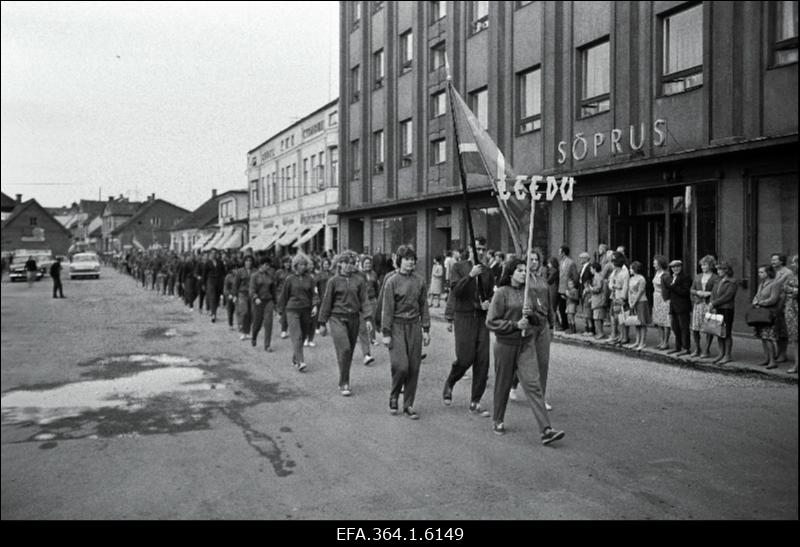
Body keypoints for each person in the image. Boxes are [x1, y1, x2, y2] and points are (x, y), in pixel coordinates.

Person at [486, 257, 565, 445]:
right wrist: (514, 324)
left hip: (526, 343)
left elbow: (538, 318)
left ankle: (546, 429)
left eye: (525, 270)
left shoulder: (528, 292)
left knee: (533, 384)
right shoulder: (501, 293)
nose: (524, 273)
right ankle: (498, 419)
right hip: (506, 344)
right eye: (520, 270)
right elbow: (491, 321)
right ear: (511, 272)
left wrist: (531, 316)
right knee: (503, 383)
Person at [442, 237, 495, 417]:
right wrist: (470, 275)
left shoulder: (488, 271)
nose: (481, 252)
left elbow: (489, 295)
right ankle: (450, 381)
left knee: (483, 359)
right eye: (478, 248)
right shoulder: (459, 267)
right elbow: (456, 291)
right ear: (470, 249)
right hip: (463, 317)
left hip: (481, 318)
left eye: (483, 249)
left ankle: (476, 400)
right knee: (465, 358)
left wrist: (488, 303)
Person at [381, 245, 430, 419]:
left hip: (414, 326)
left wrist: (426, 329)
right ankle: (394, 395)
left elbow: (424, 305)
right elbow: (387, 309)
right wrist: (385, 333)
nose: (410, 262)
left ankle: (408, 404)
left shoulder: (420, 281)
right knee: (401, 366)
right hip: (396, 326)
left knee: (414, 367)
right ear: (399, 261)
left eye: (412, 259)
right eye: (406, 259)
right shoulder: (391, 281)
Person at [318, 250, 372, 396]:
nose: (349, 266)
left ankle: (343, 379)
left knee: (348, 353)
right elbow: (326, 302)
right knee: (345, 349)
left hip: (354, 318)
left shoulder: (359, 281)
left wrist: (368, 318)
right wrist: (322, 323)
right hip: (337, 318)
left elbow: (364, 300)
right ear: (340, 263)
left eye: (352, 263)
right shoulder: (333, 281)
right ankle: (344, 383)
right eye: (346, 262)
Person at [278, 253, 319, 372]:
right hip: (292, 309)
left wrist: (315, 305)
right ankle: (301, 361)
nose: (302, 267)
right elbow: (284, 295)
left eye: (304, 264)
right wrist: (280, 311)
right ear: (295, 266)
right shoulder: (289, 279)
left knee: (304, 335)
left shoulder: (310, 279)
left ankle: (295, 358)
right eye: (300, 264)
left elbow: (314, 294)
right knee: (297, 335)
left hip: (306, 309)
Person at [752, 264, 782, 369]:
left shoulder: (775, 284)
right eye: (759, 272)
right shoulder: (762, 284)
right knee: (763, 337)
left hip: (770, 313)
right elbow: (757, 295)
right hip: (761, 313)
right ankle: (767, 358)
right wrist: (755, 301)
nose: (760, 274)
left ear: (768, 272)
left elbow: (773, 299)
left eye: (762, 272)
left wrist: (761, 302)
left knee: (768, 337)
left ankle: (773, 361)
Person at [709, 260, 738, 365]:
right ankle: (721, 353)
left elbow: (728, 296)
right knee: (718, 332)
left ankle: (727, 355)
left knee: (726, 332)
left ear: (726, 270)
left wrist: (714, 303)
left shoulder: (732, 281)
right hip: (717, 308)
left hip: (726, 308)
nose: (718, 271)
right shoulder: (718, 281)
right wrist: (711, 303)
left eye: (720, 269)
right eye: (717, 269)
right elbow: (713, 293)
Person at [689, 255, 719, 358]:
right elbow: (691, 289)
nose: (702, 267)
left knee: (709, 328)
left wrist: (709, 293)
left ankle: (706, 350)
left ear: (710, 265)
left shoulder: (715, 277)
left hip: (709, 305)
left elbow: (717, 291)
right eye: (701, 265)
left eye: (705, 264)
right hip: (698, 304)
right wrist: (698, 292)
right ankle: (697, 348)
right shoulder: (698, 276)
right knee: (695, 328)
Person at [664, 259, 692, 356]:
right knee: (675, 327)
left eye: (677, 266)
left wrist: (672, 286)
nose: (675, 268)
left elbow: (685, 292)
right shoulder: (672, 277)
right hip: (674, 305)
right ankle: (677, 346)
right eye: (673, 267)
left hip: (683, 305)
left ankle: (686, 347)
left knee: (684, 327)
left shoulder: (686, 277)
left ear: (681, 267)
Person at [250, 258, 278, 351]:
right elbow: (251, 289)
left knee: (268, 323)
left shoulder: (270, 276)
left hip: (268, 301)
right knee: (257, 323)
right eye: (266, 265)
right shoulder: (254, 276)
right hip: (258, 302)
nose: (268, 267)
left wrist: (275, 303)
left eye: (268, 265)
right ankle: (254, 336)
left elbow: (273, 290)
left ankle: (267, 345)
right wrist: (255, 297)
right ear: (261, 265)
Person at [356, 255, 380, 364]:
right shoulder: (358, 275)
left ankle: (373, 338)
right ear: (361, 264)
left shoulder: (374, 274)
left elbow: (376, 287)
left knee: (372, 319)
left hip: (372, 299)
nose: (368, 265)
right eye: (365, 263)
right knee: (362, 325)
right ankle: (366, 352)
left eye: (369, 263)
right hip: (361, 302)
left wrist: (378, 298)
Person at [771, 253, 792, 364]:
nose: (772, 262)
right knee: (776, 329)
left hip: (783, 303)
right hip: (773, 303)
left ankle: (783, 353)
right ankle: (778, 352)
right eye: (772, 259)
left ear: (781, 261)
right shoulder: (772, 272)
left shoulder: (787, 273)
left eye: (775, 260)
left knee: (783, 330)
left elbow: (786, 288)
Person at [607, 252, 630, 346]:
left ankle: (624, 337)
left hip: (620, 295)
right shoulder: (615, 271)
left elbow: (625, 286)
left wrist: (622, 298)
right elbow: (610, 281)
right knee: (616, 317)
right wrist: (612, 286)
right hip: (614, 294)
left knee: (622, 317)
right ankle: (620, 335)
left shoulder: (625, 271)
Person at [626, 261, 650, 350]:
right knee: (636, 322)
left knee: (642, 322)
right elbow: (629, 290)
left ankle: (642, 342)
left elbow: (640, 292)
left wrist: (634, 302)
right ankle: (637, 341)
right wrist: (629, 301)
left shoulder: (641, 279)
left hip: (641, 301)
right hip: (632, 302)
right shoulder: (631, 279)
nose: (630, 270)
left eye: (631, 268)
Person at [652, 255, 672, 350]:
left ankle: (666, 342)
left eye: (655, 263)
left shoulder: (666, 275)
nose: (654, 265)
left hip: (663, 299)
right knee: (659, 320)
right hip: (656, 298)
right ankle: (661, 340)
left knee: (665, 321)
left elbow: (669, 288)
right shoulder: (657, 273)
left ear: (660, 264)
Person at [234, 255, 256, 340]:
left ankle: (247, 332)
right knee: (244, 311)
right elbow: (236, 284)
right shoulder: (240, 271)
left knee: (251, 313)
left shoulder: (255, 271)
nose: (248, 262)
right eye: (246, 261)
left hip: (252, 294)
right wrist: (234, 295)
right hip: (242, 294)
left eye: (250, 261)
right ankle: (242, 331)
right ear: (244, 262)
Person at [557, 245, 578, 332]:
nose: (559, 253)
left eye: (560, 252)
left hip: (568, 288)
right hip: (561, 287)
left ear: (563, 253)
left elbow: (575, 275)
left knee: (569, 309)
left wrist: (572, 287)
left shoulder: (571, 262)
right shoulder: (561, 262)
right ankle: (564, 325)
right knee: (561, 308)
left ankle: (570, 326)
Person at [783, 255, 798, 374]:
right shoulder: (792, 276)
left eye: (794, 263)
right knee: (795, 339)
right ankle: (796, 364)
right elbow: (785, 287)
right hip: (791, 310)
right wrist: (792, 290)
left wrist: (793, 290)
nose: (792, 265)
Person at [203, 249, 226, 323]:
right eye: (212, 253)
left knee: (217, 298)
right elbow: (204, 274)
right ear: (210, 254)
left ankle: (214, 312)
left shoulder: (220, 262)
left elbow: (224, 272)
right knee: (212, 297)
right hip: (210, 281)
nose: (213, 255)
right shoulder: (207, 263)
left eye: (215, 253)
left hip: (219, 281)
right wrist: (203, 284)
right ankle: (213, 314)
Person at [577, 252, 594, 335]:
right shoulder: (582, 267)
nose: (579, 259)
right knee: (585, 311)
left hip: (587, 292)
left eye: (581, 258)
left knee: (588, 312)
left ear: (585, 258)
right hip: (582, 291)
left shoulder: (589, 267)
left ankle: (591, 329)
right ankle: (586, 328)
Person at [589, 262, 608, 340]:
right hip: (598, 299)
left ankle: (600, 333)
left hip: (598, 299)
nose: (590, 270)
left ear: (594, 269)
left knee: (597, 317)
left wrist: (591, 288)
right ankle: (600, 332)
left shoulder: (598, 277)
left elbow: (598, 288)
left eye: (591, 268)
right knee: (598, 317)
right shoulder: (599, 276)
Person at [545, 257, 560, 328]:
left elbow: (549, 280)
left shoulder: (553, 270)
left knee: (552, 307)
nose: (548, 264)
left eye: (549, 263)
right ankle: (556, 323)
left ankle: (556, 323)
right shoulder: (553, 270)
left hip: (553, 289)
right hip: (552, 289)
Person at [223, 265, 237, 331]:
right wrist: (229, 294)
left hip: (238, 295)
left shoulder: (240, 277)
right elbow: (225, 288)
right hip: (230, 295)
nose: (236, 270)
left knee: (240, 311)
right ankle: (230, 324)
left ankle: (241, 324)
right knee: (230, 310)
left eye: (237, 269)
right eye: (235, 269)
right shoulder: (228, 277)